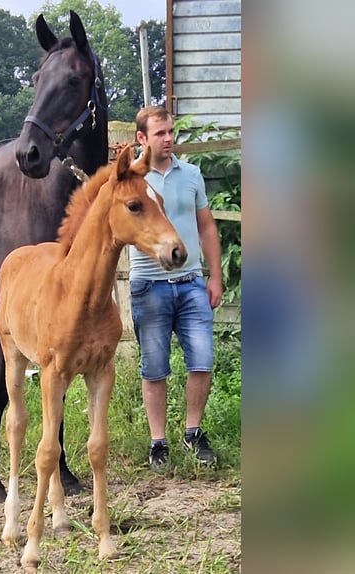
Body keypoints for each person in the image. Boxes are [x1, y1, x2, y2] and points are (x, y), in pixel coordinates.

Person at [129, 106, 223, 470]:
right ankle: (158, 443)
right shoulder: (132, 180)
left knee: (202, 360)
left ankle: (193, 432)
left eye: (171, 132)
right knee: (154, 368)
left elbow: (207, 229)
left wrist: (214, 277)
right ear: (142, 139)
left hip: (191, 283)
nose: (169, 139)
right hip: (149, 286)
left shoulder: (192, 175)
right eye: (160, 134)